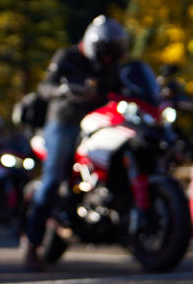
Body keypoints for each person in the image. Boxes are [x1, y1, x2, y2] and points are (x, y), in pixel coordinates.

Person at [22, 15, 128, 271]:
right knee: (52, 181)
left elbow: (121, 86)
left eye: (113, 52)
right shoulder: (67, 57)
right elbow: (45, 87)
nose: (109, 57)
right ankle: (31, 247)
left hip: (98, 121)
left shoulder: (109, 65)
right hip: (64, 121)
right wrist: (61, 90)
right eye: (106, 51)